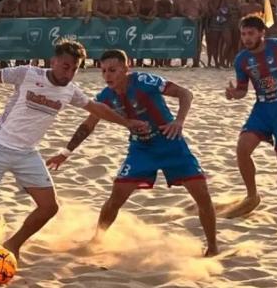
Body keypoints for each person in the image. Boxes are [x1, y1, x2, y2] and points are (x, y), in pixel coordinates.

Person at [0, 40, 149, 260]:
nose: (69, 73)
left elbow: (98, 108)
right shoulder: (28, 73)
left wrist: (128, 123)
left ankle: (13, 244)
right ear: (53, 61)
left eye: (75, 69)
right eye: (65, 66)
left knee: (49, 207)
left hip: (27, 153)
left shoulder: (70, 91)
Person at [46, 49, 218, 257]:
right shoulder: (106, 96)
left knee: (202, 194)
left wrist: (179, 121)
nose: (107, 76)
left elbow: (185, 93)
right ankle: (96, 240)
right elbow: (88, 125)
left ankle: (213, 246)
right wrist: (65, 153)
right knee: (116, 197)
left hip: (171, 145)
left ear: (126, 69)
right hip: (141, 150)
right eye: (103, 71)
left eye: (112, 70)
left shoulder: (143, 81)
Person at [224, 15, 277, 223]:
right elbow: (243, 90)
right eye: (243, 34)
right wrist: (233, 94)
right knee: (242, 148)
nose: (246, 38)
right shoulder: (242, 59)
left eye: (251, 33)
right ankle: (252, 195)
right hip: (261, 108)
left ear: (262, 33)